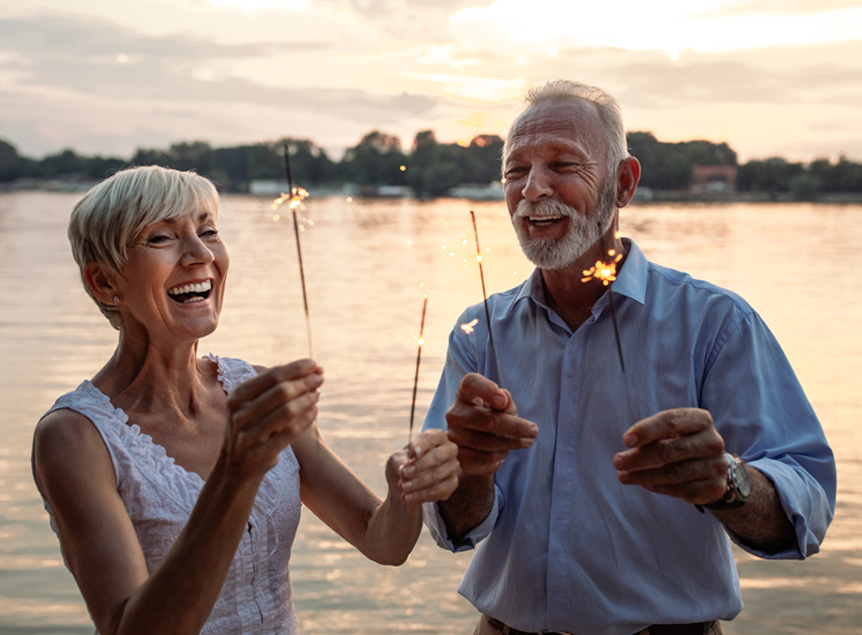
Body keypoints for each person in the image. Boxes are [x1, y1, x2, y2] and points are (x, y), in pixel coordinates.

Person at [422, 81, 836, 635]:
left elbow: (806, 507)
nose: (533, 189)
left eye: (563, 164)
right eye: (516, 170)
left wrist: (726, 481)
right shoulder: (479, 334)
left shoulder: (715, 325)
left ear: (623, 183)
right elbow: (454, 527)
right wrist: (470, 469)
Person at [31, 166, 460, 635]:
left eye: (209, 231)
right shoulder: (74, 437)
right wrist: (237, 471)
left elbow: (382, 542)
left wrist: (405, 491)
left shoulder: (254, 387)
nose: (200, 255)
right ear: (104, 283)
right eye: (161, 237)